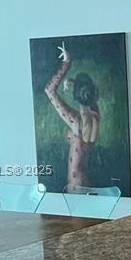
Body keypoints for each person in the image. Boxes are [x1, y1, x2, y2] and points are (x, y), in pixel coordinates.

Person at [43, 42, 101, 192]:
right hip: (87, 181)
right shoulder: (96, 114)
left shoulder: (75, 121)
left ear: (76, 95)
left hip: (76, 183)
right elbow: (89, 95)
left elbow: (49, 90)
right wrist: (75, 83)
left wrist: (66, 64)